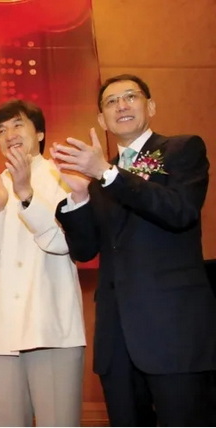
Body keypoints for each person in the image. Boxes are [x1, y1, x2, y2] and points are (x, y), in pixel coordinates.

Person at [50, 74, 216, 426]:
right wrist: (79, 196)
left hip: (173, 331)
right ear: (102, 119)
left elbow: (179, 211)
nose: (121, 105)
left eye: (130, 97)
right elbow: (85, 250)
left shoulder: (182, 149)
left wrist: (107, 173)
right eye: (111, 102)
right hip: (117, 338)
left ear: (150, 106)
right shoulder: (101, 177)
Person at [0, 99, 86, 426]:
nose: (9, 134)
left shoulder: (64, 179)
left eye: (18, 125)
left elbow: (65, 243)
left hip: (52, 327)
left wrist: (27, 195)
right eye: (1, 130)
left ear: (40, 133)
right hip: (2, 332)